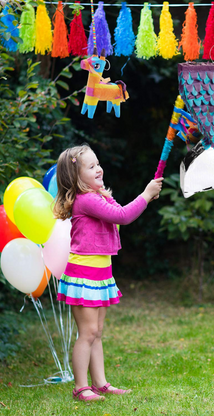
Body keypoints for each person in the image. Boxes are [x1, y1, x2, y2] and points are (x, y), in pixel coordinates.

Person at [53, 144, 163, 401]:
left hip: (100, 274)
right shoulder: (86, 199)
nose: (99, 169)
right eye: (91, 167)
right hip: (84, 275)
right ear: (76, 178)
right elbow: (122, 216)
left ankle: (100, 383)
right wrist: (145, 195)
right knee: (88, 333)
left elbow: (117, 211)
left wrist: (111, 192)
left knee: (97, 332)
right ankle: (81, 387)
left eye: (98, 163)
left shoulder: (97, 195)